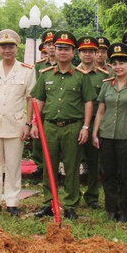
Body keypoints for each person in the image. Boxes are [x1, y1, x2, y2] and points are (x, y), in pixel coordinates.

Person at [30, 31, 95, 220]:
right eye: (59, 48)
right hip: (50, 127)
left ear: (73, 52)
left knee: (72, 167)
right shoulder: (45, 75)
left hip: (72, 127)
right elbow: (39, 100)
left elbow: (88, 102)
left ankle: (70, 205)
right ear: (55, 51)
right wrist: (35, 123)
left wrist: (86, 127)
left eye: (67, 49)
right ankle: (49, 203)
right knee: (49, 165)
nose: (62, 52)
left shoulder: (81, 76)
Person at [0, 30, 35, 217]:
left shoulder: (27, 70)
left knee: (13, 167)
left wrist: (28, 124)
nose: (7, 50)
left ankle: (12, 203)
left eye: (11, 46)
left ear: (16, 48)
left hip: (16, 125)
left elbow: (30, 99)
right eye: (3, 47)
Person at [92, 42, 127, 222]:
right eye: (114, 63)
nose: (118, 67)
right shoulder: (107, 85)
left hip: (126, 135)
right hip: (106, 135)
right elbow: (101, 111)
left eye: (122, 63)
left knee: (126, 174)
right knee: (108, 173)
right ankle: (112, 208)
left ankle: (126, 210)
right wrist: (95, 133)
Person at [77, 35, 107, 209]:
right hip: (75, 121)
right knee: (73, 161)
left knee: (94, 161)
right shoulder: (72, 73)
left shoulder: (104, 76)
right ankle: (73, 193)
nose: (87, 54)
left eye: (91, 51)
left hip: (96, 123)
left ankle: (92, 195)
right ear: (79, 53)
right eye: (84, 51)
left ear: (96, 54)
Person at [32, 30, 57, 176]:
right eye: (48, 44)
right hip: (42, 104)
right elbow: (36, 87)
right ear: (45, 47)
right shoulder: (39, 66)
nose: (52, 47)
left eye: (54, 44)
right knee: (38, 137)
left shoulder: (64, 63)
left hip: (55, 106)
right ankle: (40, 163)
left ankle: (54, 165)